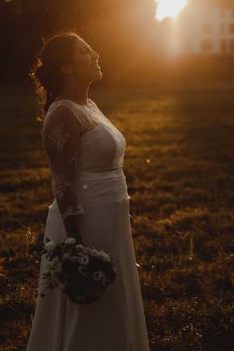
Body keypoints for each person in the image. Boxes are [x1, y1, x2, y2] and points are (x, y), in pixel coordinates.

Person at [26, 33, 149, 350]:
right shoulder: (63, 113)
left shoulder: (89, 105)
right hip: (84, 224)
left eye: (92, 48)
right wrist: (76, 244)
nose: (96, 54)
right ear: (66, 67)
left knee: (115, 303)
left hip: (111, 220)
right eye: (84, 51)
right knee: (91, 308)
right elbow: (62, 181)